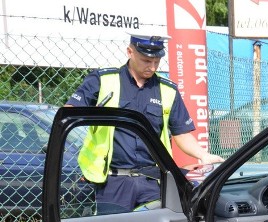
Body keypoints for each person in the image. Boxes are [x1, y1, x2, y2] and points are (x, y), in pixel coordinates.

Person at [66, 34, 223, 212]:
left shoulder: (167, 90)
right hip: (113, 182)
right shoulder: (103, 80)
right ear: (130, 52)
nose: (152, 66)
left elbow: (181, 133)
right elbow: (70, 110)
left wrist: (202, 155)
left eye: (157, 61)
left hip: (153, 182)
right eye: (146, 60)